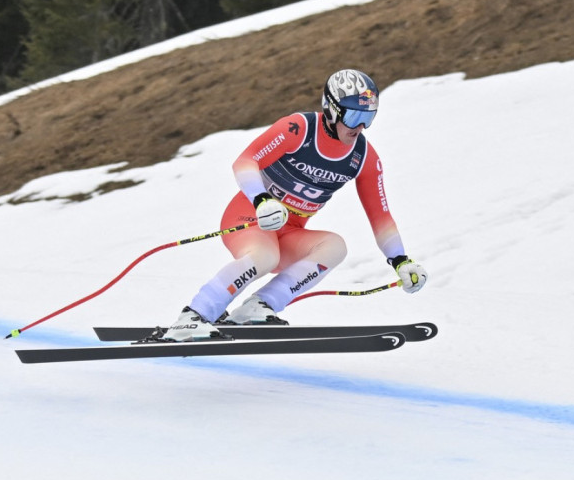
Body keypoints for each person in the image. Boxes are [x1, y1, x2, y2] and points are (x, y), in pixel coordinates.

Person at [160, 68, 427, 342]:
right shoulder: (298, 129)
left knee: (335, 246)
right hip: (250, 217)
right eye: (354, 116)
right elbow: (245, 161)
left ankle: (258, 307)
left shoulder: (364, 157)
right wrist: (261, 199)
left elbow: (380, 216)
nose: (360, 127)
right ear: (332, 109)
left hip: (288, 231)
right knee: (265, 257)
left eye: (368, 118)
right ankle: (194, 316)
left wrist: (400, 260)